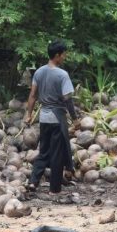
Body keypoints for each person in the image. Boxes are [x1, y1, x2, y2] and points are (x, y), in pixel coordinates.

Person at [25, 40, 77, 195]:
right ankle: (55, 189)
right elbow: (67, 99)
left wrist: (29, 114)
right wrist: (75, 118)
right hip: (57, 117)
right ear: (57, 55)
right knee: (57, 153)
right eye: (63, 54)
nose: (65, 57)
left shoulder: (39, 72)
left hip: (44, 117)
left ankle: (33, 182)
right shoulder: (62, 74)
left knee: (44, 151)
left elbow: (33, 95)